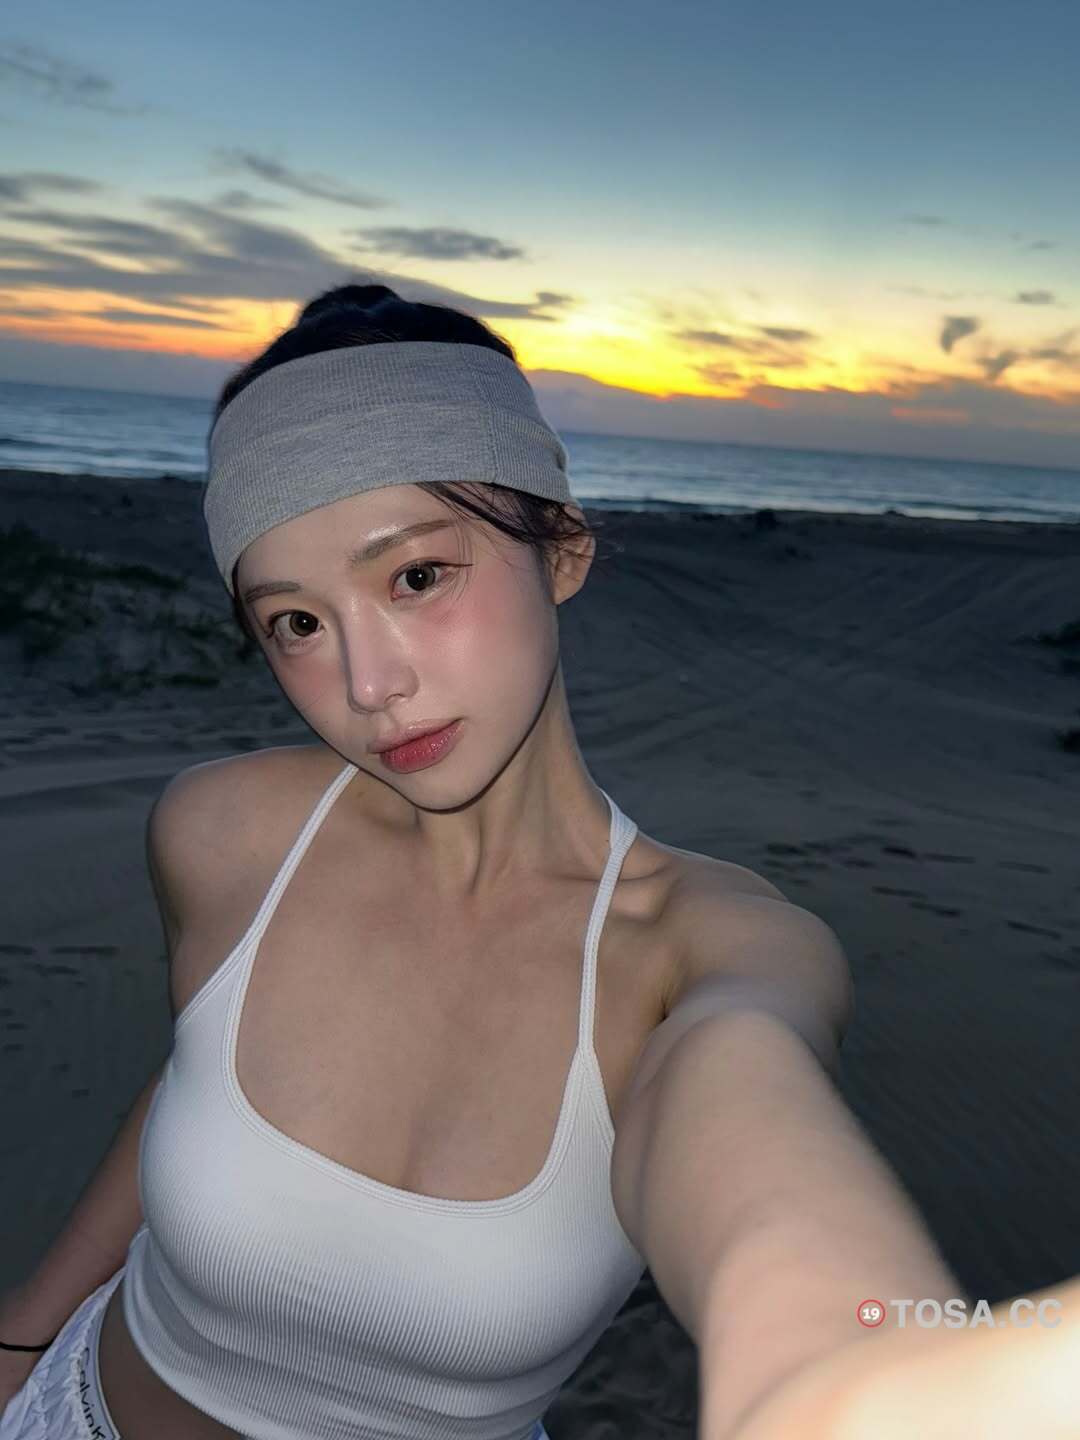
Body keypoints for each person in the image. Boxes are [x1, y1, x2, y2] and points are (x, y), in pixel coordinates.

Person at [1, 283, 1076, 1440]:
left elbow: (744, 1110)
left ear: (561, 548)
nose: (370, 684)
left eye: (417, 576)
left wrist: (845, 1357)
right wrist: (21, 1339)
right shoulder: (226, 833)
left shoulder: (706, 948)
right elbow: (194, 1081)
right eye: (296, 623)